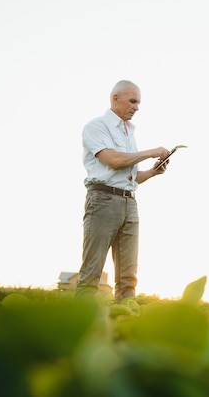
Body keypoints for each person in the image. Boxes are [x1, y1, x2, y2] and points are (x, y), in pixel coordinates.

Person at [75, 80, 171, 301]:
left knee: (128, 278)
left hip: (129, 203)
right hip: (102, 201)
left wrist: (153, 171)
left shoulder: (130, 134)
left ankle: (124, 326)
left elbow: (131, 177)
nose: (137, 107)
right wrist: (151, 151)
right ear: (115, 99)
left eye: (138, 103)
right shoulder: (96, 126)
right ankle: (79, 328)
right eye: (133, 101)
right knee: (92, 272)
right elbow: (114, 160)